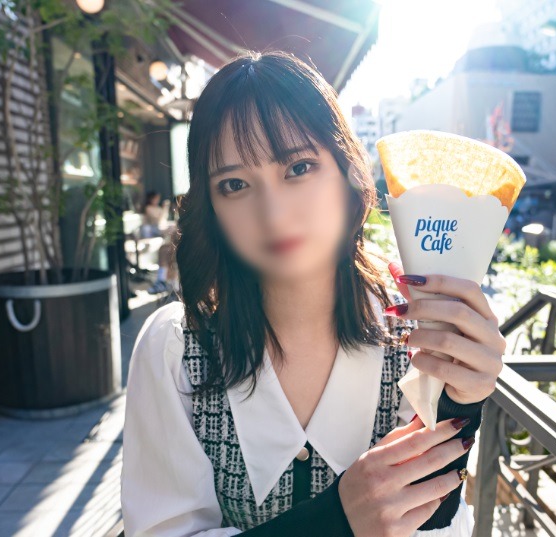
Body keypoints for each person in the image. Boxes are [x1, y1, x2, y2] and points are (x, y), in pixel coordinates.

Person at [120, 51, 506, 536]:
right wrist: (334, 522)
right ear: (210, 206)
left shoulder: (418, 338)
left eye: (298, 168)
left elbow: (443, 529)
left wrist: (460, 405)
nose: (274, 213)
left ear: (348, 174)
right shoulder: (176, 349)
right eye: (234, 184)